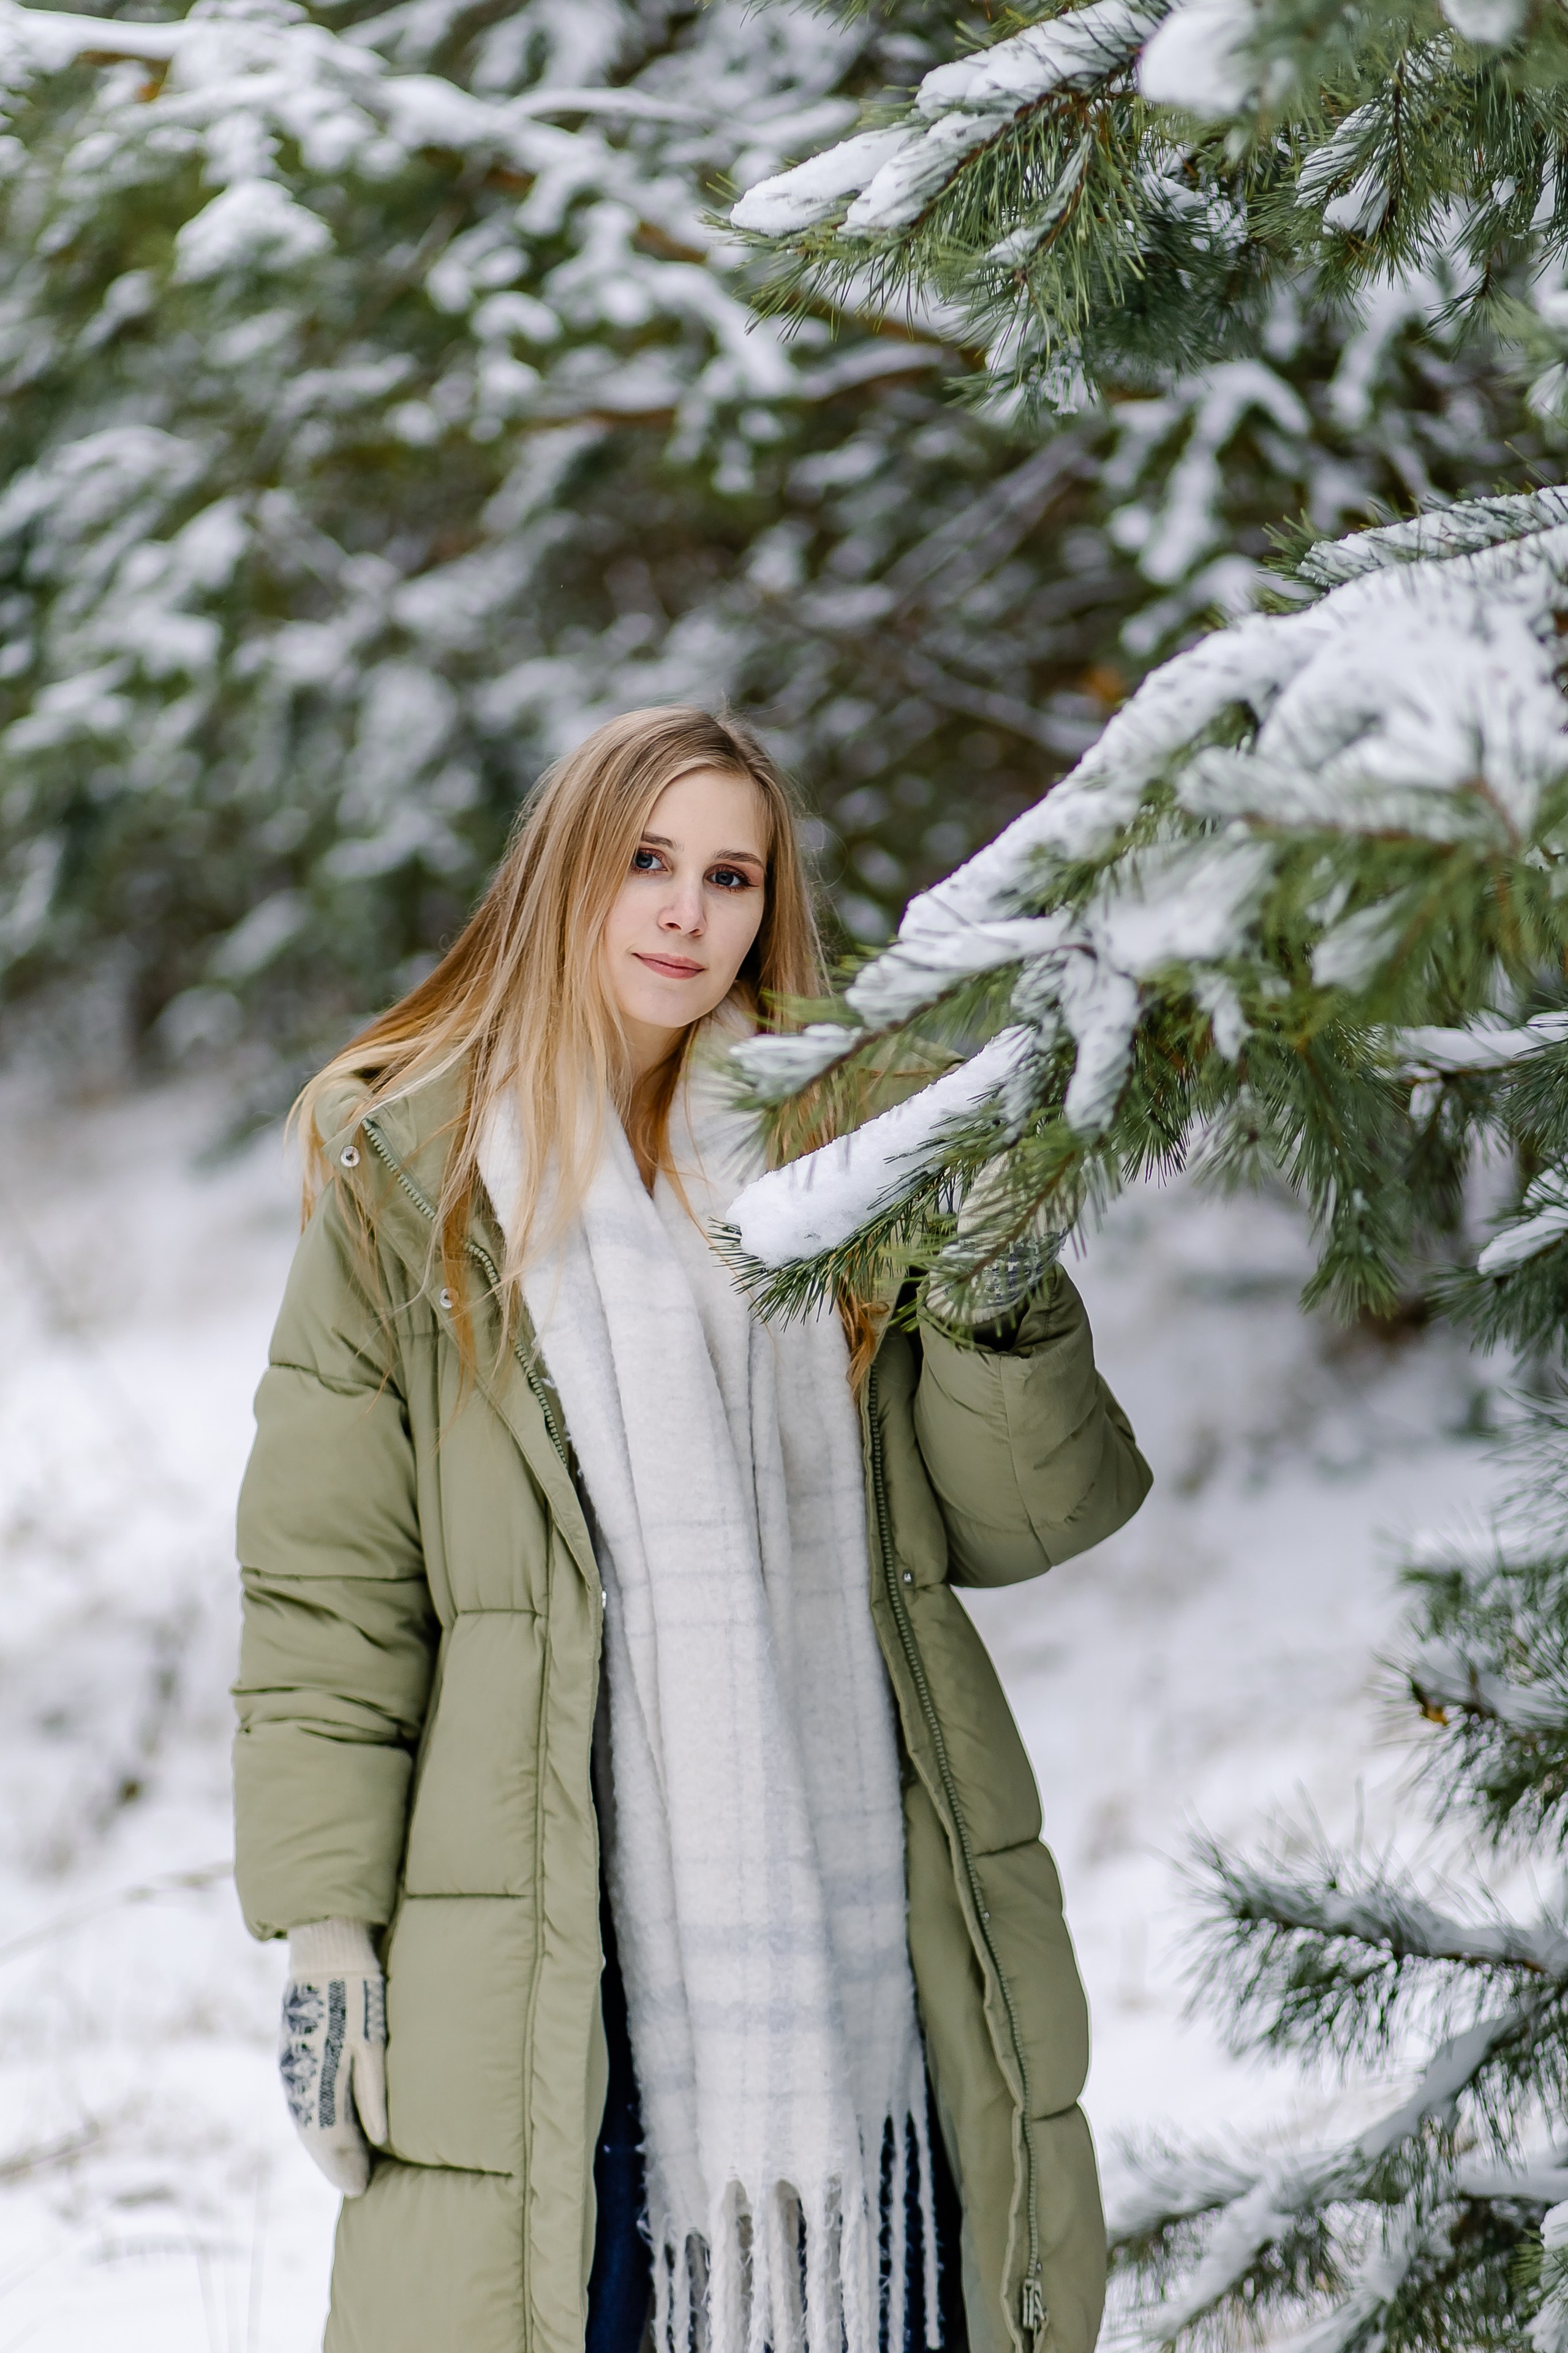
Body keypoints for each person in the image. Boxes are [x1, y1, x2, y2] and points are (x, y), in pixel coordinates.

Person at [233, 706, 1152, 2353]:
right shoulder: (413, 1181)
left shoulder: (852, 1152)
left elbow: (1030, 1512)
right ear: (561, 876)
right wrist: (325, 1921)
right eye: (645, 860)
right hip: (553, 1959)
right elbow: (331, 1594)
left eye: (731, 873)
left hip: (868, 1949)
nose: (685, 910)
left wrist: (1001, 1274)